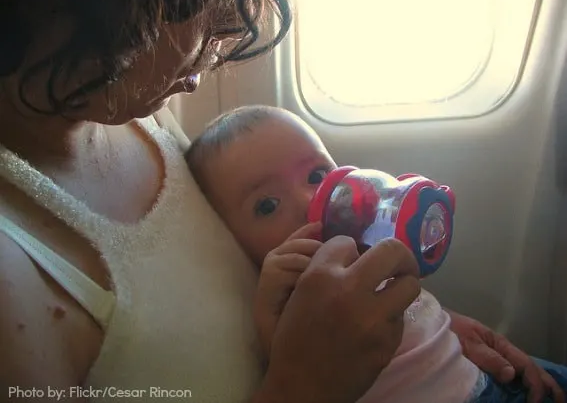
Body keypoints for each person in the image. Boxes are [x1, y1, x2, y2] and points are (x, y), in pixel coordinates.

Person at [0, 0, 559, 402]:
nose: (218, 44)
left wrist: (422, 330)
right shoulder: (17, 283)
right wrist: (306, 385)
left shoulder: (128, 108)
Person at [185, 104, 567, 403]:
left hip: (480, 375)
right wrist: (272, 304)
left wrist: (446, 321)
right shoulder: (287, 296)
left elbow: (410, 309)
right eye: (267, 205)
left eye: (317, 176)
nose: (310, 200)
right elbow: (290, 359)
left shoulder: (363, 245)